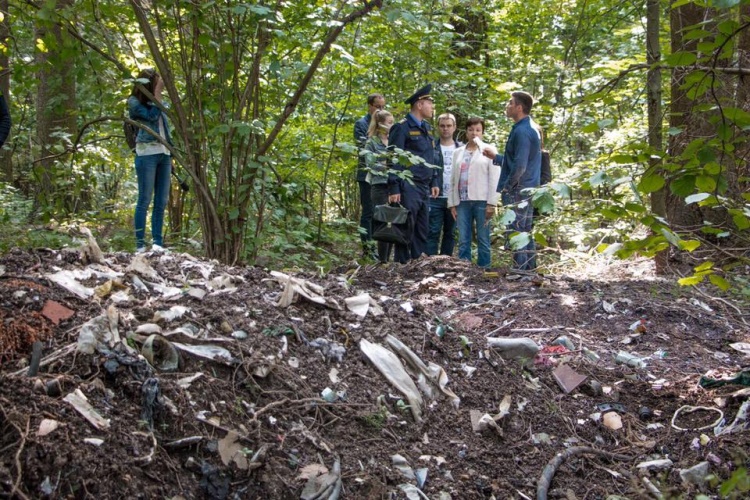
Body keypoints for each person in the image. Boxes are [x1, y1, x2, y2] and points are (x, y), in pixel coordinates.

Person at [483, 91, 541, 271]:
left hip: (519, 190)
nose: (507, 106)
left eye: (510, 103)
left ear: (519, 107)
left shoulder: (523, 131)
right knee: (524, 231)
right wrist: (497, 157)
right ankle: (528, 271)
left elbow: (520, 167)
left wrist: (508, 188)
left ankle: (520, 272)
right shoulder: (526, 128)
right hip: (527, 188)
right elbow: (516, 161)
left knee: (517, 232)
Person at [387, 84, 439, 263]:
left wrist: (434, 182)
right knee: (405, 227)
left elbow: (430, 157)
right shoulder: (401, 128)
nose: (432, 107)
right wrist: (394, 187)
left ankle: (416, 264)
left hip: (424, 187)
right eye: (429, 103)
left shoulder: (427, 128)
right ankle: (401, 265)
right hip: (408, 186)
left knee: (422, 229)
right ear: (419, 104)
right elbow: (393, 158)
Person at [128, 68, 173, 253]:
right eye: (157, 83)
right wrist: (158, 94)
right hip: (147, 153)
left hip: (164, 153)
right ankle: (140, 244)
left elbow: (165, 128)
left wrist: (171, 151)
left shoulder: (159, 101)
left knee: (161, 201)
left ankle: (157, 243)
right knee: (144, 199)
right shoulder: (134, 102)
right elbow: (152, 116)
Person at [447, 118, 501, 268]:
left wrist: (492, 203)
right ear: (466, 132)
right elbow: (453, 179)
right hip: (462, 201)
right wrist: (452, 204)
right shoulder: (458, 152)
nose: (474, 133)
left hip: (482, 201)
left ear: (482, 132)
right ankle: (464, 268)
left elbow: (494, 178)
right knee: (464, 238)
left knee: (483, 237)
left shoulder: (489, 151)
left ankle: (485, 268)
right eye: (471, 130)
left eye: (478, 130)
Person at [354, 93, 386, 258]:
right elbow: (362, 146)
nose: (380, 109)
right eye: (377, 106)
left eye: (383, 107)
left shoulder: (385, 124)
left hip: (382, 177)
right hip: (366, 175)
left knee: (379, 212)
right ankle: (367, 248)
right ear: (370, 106)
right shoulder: (361, 123)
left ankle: (379, 246)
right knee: (368, 211)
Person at [427, 113, 462, 256]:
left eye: (448, 126)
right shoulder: (431, 147)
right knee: (432, 231)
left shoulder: (462, 148)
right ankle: (430, 262)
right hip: (435, 197)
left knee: (451, 233)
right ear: (437, 127)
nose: (445, 129)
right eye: (442, 126)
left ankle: (446, 262)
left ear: (454, 127)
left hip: (454, 198)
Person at [364, 109, 395, 263]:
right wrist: (388, 163)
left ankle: (390, 259)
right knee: (382, 222)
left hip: (394, 185)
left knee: (394, 222)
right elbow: (371, 164)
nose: (392, 126)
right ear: (380, 124)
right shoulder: (372, 142)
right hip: (379, 185)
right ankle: (383, 261)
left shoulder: (394, 141)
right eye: (390, 123)